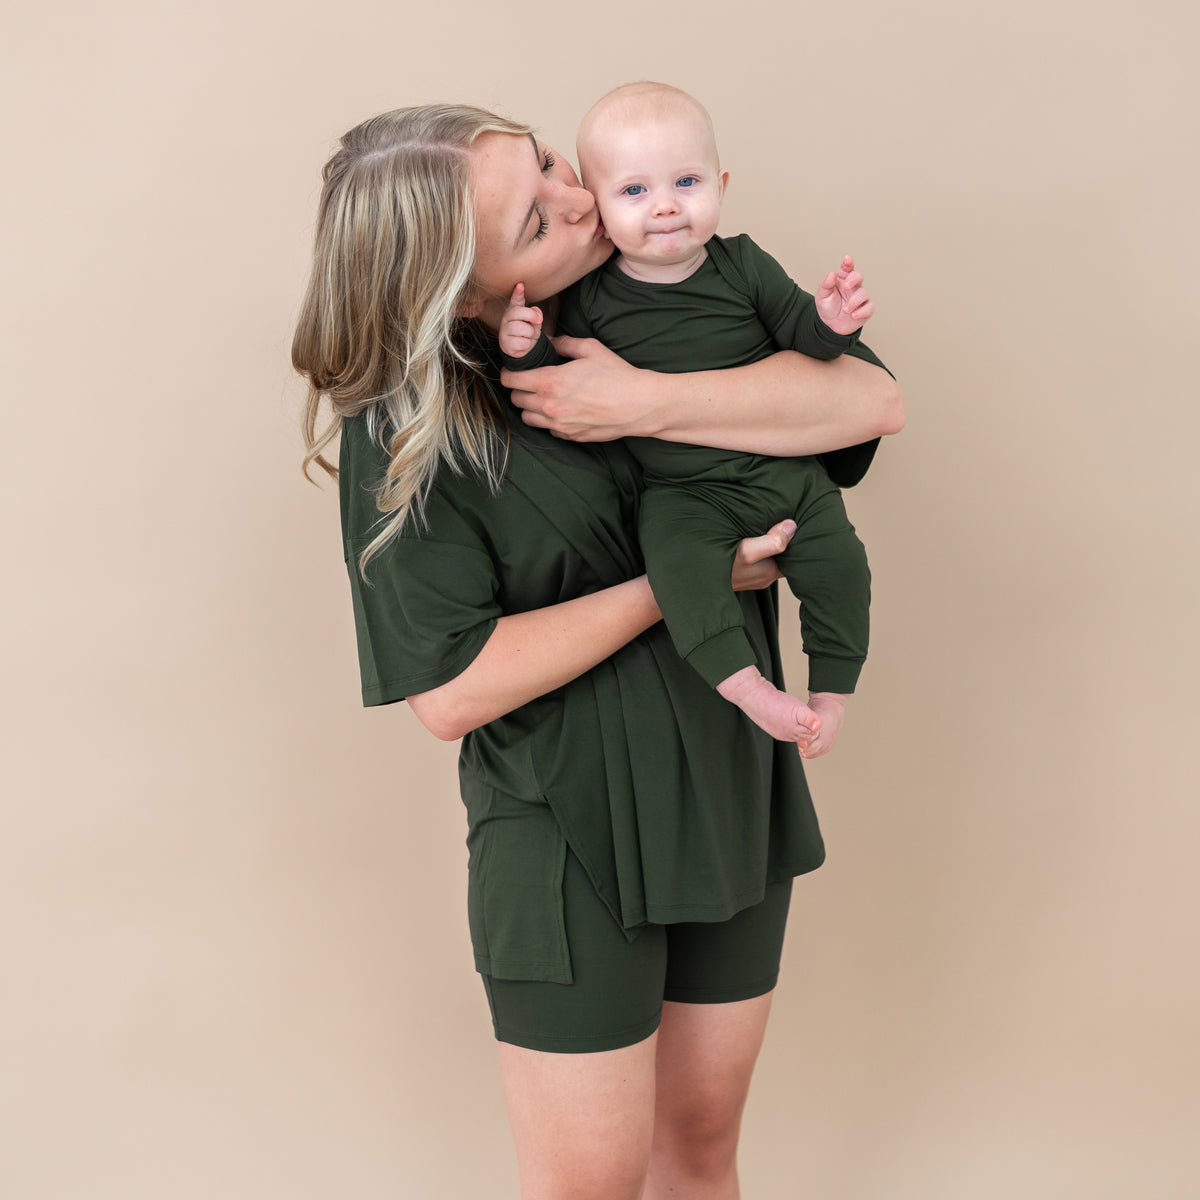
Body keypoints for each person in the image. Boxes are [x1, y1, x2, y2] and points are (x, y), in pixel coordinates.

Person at [293, 103, 902, 1200]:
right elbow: (449, 691)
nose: (583, 201)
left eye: (548, 162)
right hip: (567, 834)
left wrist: (649, 399)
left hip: (727, 785)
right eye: (535, 218)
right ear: (463, 286)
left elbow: (871, 399)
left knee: (704, 1153)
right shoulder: (405, 423)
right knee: (589, 1189)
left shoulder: (671, 282)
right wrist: (680, 589)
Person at [500, 81, 882, 759]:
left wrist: (831, 321)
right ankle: (746, 687)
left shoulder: (743, 265)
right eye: (635, 192)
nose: (667, 206)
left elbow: (809, 346)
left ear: (721, 184)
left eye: (685, 180)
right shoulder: (591, 295)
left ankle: (832, 693)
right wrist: (524, 344)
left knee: (842, 567)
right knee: (680, 570)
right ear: (601, 208)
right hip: (683, 494)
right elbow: (558, 387)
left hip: (784, 472)